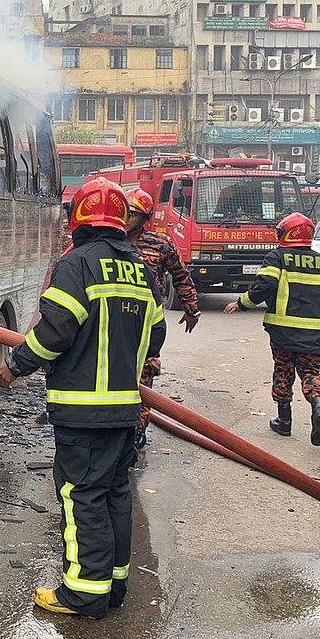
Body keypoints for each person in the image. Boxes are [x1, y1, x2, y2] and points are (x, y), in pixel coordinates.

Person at [0, 177, 166, 619]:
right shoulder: (141, 270)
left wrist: (14, 366)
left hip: (83, 410)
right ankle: (113, 584)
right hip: (125, 409)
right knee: (114, 493)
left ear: (79, 220)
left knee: (81, 496)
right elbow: (156, 334)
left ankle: (84, 593)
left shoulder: (77, 264)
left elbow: (54, 332)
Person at [223, 213, 320, 445]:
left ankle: (284, 421)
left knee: (283, 371)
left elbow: (264, 286)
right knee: (310, 372)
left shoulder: (277, 258)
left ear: (286, 233)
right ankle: (318, 405)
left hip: (283, 331)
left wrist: (241, 303)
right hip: (316, 332)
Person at [124, 188, 200, 449]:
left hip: (146, 323)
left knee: (144, 374)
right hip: (112, 319)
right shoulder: (107, 241)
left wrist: (191, 309)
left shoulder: (160, 245)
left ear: (144, 218)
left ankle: (138, 429)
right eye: (124, 213)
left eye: (133, 214)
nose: (126, 219)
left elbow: (180, 275)